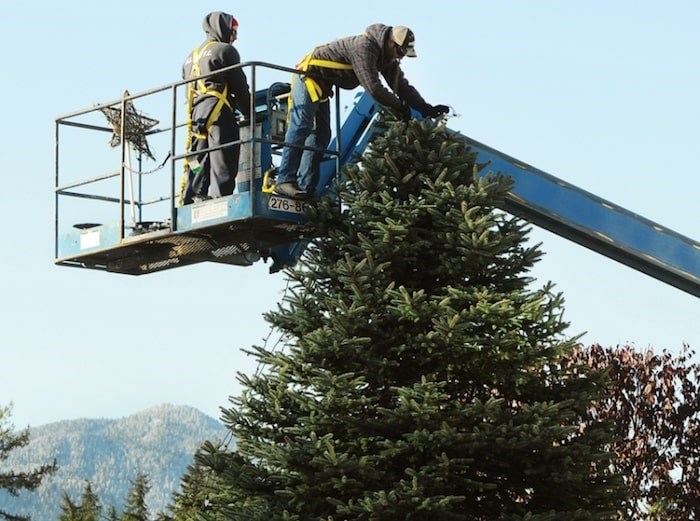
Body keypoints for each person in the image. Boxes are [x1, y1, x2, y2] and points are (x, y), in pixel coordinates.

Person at [273, 24, 449, 200]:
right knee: (301, 126)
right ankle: (284, 180)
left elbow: (402, 87)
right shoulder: (364, 47)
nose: (400, 57)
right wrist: (400, 107)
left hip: (322, 86)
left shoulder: (385, 58)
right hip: (307, 77)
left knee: (321, 136)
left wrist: (427, 108)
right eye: (400, 52)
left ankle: (306, 189)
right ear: (390, 43)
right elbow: (373, 88)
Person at [181, 11, 251, 205]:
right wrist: (250, 112)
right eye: (233, 31)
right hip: (219, 112)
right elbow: (240, 86)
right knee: (223, 158)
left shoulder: (190, 57)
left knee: (197, 159)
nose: (235, 36)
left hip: (196, 117)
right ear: (223, 28)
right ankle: (221, 201)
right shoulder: (225, 51)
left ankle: (192, 198)